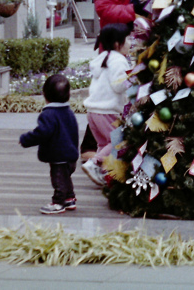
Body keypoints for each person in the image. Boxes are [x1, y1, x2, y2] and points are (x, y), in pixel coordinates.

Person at [19, 73, 79, 214]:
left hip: (58, 155)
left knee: (58, 180)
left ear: (45, 95)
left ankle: (58, 202)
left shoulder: (49, 114)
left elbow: (43, 132)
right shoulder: (68, 112)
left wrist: (26, 139)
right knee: (65, 178)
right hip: (70, 153)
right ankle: (70, 198)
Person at [82, 22, 133, 186]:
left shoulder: (101, 58)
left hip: (93, 111)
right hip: (108, 111)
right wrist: (132, 79)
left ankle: (104, 173)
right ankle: (94, 163)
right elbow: (118, 86)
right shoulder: (119, 61)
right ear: (118, 43)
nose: (131, 43)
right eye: (129, 39)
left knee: (104, 144)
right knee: (120, 141)